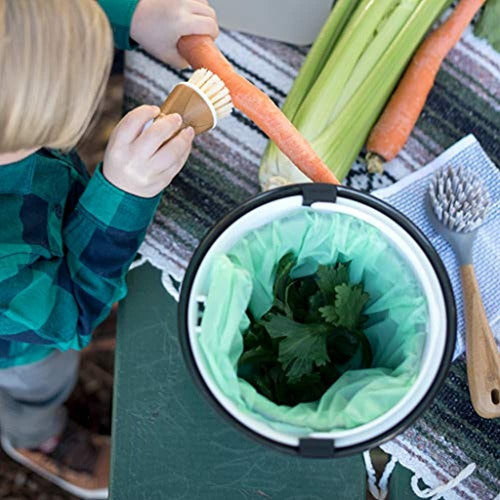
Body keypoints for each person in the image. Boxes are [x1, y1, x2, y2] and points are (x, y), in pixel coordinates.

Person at [0, 0, 218, 497]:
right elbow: (70, 308)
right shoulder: (5, 264)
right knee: (39, 382)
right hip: (20, 342)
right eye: (45, 129)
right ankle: (36, 436)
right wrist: (122, 193)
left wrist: (129, 19)